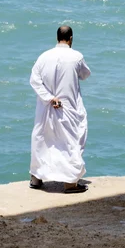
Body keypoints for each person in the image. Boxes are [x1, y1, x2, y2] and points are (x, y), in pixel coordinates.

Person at [29, 25, 91, 193]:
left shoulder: (43, 57)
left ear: (57, 37)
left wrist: (49, 97)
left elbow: (34, 80)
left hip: (46, 107)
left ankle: (36, 179)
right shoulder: (76, 56)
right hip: (68, 107)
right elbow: (85, 74)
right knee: (71, 140)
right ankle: (70, 183)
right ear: (71, 38)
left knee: (42, 139)